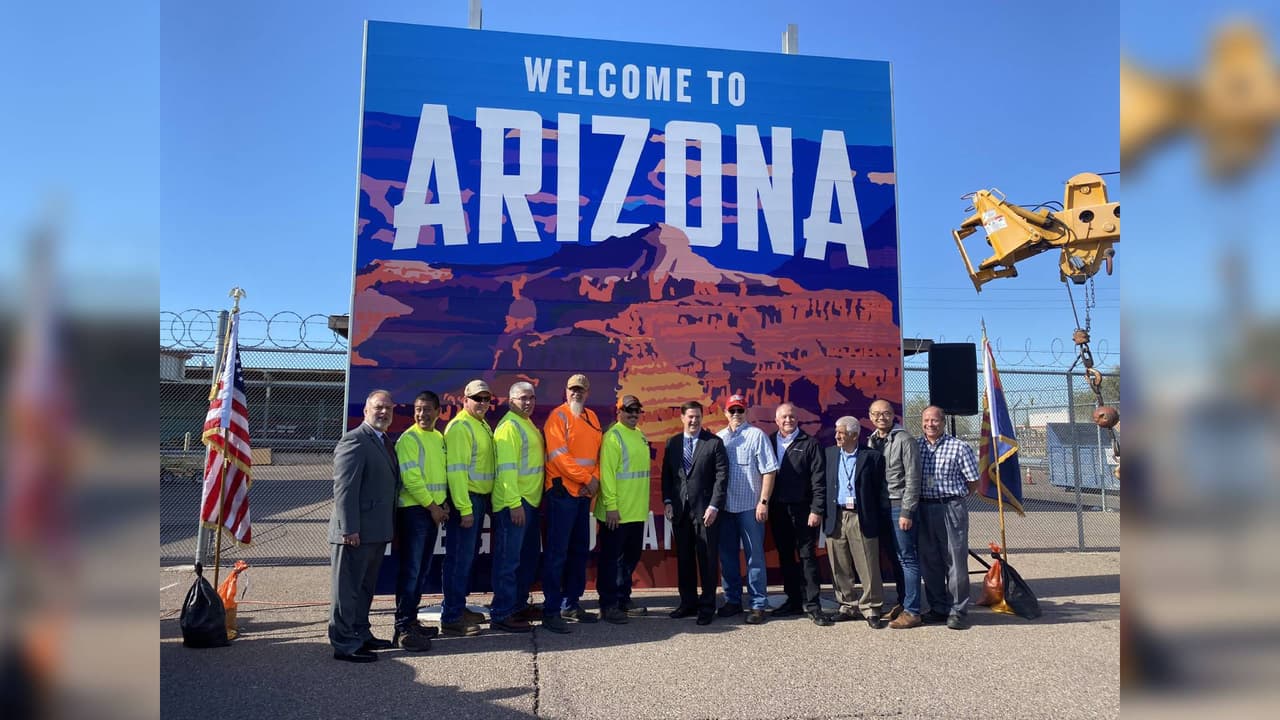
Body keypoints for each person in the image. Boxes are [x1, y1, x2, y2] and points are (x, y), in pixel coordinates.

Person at [328, 389, 400, 663]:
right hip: (354, 533)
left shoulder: (383, 441)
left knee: (364, 588)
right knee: (346, 590)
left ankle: (361, 633)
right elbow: (344, 489)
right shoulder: (354, 440)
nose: (383, 413)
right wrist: (349, 529)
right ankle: (344, 643)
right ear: (366, 410)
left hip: (375, 531)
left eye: (388, 409)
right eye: (378, 407)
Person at [541, 373, 603, 634]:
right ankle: (551, 611)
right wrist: (587, 479)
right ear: (565, 392)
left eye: (581, 390)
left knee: (578, 551)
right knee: (557, 554)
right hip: (562, 494)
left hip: (582, 496)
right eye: (572, 389)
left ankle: (571, 604)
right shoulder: (558, 417)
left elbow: (599, 455)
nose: (576, 393)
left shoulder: (593, 417)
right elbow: (558, 457)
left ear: (587, 393)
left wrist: (594, 480)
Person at [391, 390, 450, 651]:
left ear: (439, 412)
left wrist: (443, 501)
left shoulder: (438, 437)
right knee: (411, 571)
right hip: (416, 512)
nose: (422, 414)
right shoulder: (409, 439)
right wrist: (433, 506)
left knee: (422, 571)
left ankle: (411, 621)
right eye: (418, 409)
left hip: (431, 511)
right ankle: (403, 628)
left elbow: (441, 473)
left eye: (427, 409)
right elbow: (411, 478)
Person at [661, 400, 728, 626]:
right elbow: (667, 477)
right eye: (690, 416)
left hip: (706, 511)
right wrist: (668, 501)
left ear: (702, 418)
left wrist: (714, 506)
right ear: (682, 418)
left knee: (707, 560)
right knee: (685, 560)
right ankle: (687, 603)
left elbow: (721, 477)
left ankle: (707, 606)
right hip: (680, 512)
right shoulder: (673, 443)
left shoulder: (714, 443)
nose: (694, 420)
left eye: (697, 416)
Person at [714, 393, 778, 625]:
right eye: (732, 410)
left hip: (750, 508)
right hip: (725, 509)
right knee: (728, 557)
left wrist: (763, 502)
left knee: (755, 558)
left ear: (746, 412)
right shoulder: (719, 438)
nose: (736, 415)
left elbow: (769, 471)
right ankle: (732, 600)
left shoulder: (757, 436)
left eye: (740, 410)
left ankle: (758, 604)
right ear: (725, 413)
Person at [440, 379, 496, 637]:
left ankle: (458, 607)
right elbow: (457, 471)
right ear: (465, 399)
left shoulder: (480, 424)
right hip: (468, 500)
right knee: (458, 560)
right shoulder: (461, 426)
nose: (483, 403)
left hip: (479, 500)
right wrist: (464, 508)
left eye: (486, 399)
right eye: (477, 398)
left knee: (466, 559)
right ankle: (451, 617)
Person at [916, 405, 980, 630]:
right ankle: (937, 607)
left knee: (955, 561)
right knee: (930, 562)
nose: (929, 425)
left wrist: (954, 498)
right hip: (924, 508)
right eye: (926, 420)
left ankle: (958, 610)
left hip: (950, 507)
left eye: (934, 421)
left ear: (943, 423)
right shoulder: (915, 446)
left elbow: (973, 482)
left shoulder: (959, 447)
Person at [768, 402, 831, 626]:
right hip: (777, 510)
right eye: (783, 417)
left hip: (804, 510)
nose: (788, 420)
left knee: (807, 557)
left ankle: (813, 605)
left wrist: (816, 509)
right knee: (786, 556)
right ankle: (793, 600)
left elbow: (819, 480)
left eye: (792, 417)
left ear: (798, 419)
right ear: (776, 420)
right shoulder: (767, 441)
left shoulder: (810, 443)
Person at [823, 416, 887, 629]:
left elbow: (879, 489)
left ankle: (871, 607)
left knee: (867, 563)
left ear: (854, 435)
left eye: (841, 433)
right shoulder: (830, 455)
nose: (837, 436)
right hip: (836, 515)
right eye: (836, 432)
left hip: (861, 516)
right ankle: (847, 605)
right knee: (839, 563)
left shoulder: (872, 457)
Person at [594, 394, 653, 624]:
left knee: (629, 559)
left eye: (637, 411)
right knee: (611, 561)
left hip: (636, 512)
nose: (633, 414)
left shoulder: (639, 435)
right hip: (616, 514)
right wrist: (610, 506)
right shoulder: (612, 437)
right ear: (618, 411)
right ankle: (608, 605)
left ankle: (623, 599)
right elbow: (607, 475)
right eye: (629, 410)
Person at [490, 381, 544, 633]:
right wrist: (514, 504)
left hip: (529, 501)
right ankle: (502, 612)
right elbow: (507, 470)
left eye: (531, 397)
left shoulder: (526, 423)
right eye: (523, 398)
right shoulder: (509, 427)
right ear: (510, 400)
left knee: (525, 559)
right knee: (508, 561)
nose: (528, 402)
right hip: (515, 503)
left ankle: (518, 605)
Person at [867, 398, 925, 630]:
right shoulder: (872, 441)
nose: (881, 417)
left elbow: (913, 478)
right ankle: (903, 602)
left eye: (886, 413)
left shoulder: (905, 440)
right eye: (876, 414)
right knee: (894, 558)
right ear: (870, 416)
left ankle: (913, 611)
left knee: (907, 558)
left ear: (894, 415)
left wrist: (907, 511)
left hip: (898, 506)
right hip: (880, 507)